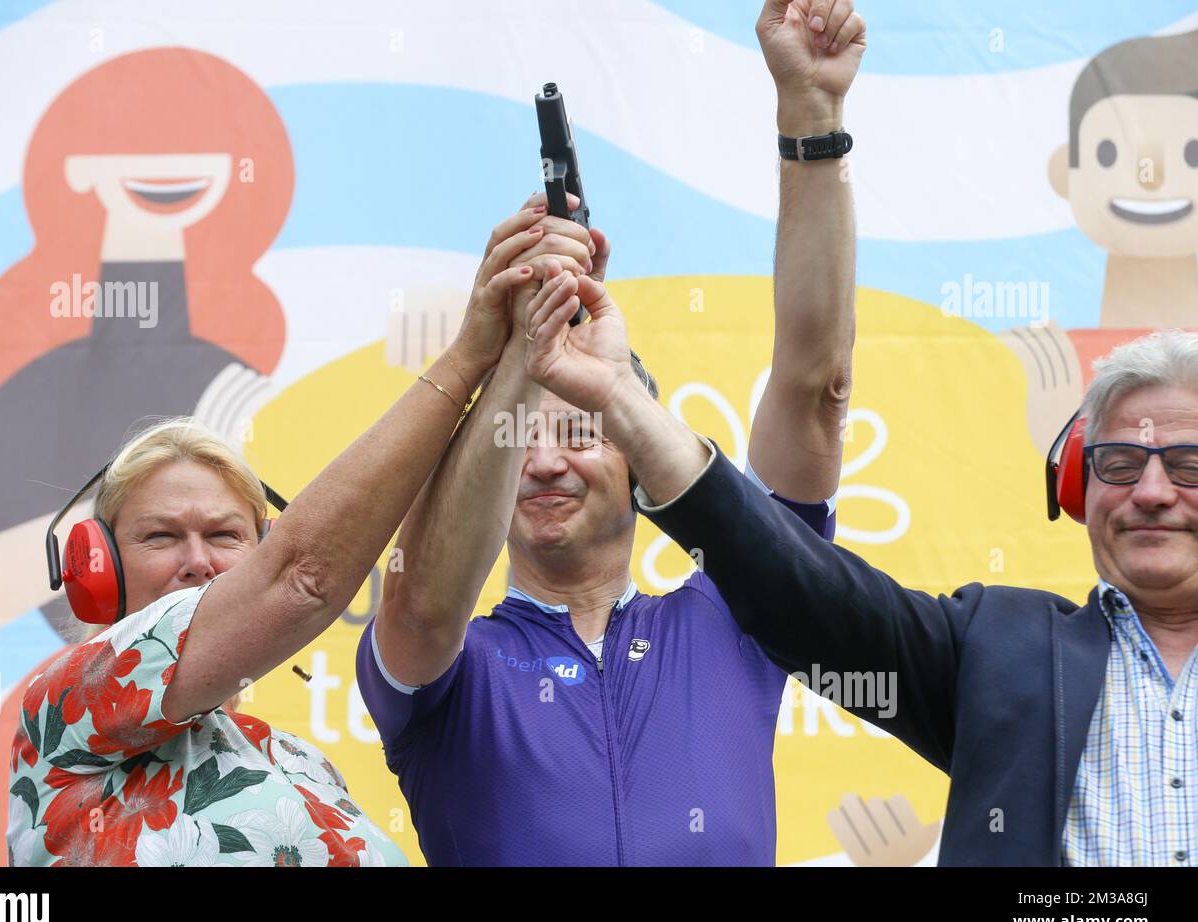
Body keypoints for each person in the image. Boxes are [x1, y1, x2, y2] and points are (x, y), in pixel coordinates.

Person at [360, 0, 866, 865]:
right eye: (522, 438)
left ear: (642, 457)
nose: (547, 460)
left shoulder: (738, 620)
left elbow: (816, 385)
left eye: (585, 429)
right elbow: (421, 601)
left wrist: (811, 119)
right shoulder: (451, 668)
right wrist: (526, 344)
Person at [525, 244, 1198, 863]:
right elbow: (792, 583)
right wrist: (616, 399)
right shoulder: (1003, 647)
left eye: (1188, 464)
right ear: (1079, 482)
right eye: (1118, 463)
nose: (1152, 492)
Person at [5, 204, 581, 866]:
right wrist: (470, 351)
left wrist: (522, 353)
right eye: (160, 536)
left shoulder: (304, 768)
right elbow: (302, 578)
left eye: (225, 535)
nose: (197, 562)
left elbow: (418, 591)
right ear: (96, 569)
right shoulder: (67, 703)